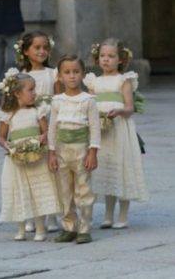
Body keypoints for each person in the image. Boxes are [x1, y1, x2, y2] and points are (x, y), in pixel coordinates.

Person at [84, 39, 148, 229]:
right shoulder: (93, 81)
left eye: (111, 56)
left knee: (120, 167)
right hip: (101, 131)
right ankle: (108, 215)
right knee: (105, 168)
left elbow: (130, 107)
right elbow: (89, 103)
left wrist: (120, 112)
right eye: (103, 56)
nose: (106, 60)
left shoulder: (124, 80)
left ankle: (123, 215)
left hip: (119, 129)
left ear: (120, 60)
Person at [0, 70, 61, 241]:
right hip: (17, 159)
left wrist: (43, 137)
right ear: (17, 93)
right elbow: (1, 137)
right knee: (19, 190)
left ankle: (40, 228)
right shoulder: (7, 114)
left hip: (37, 157)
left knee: (38, 190)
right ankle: (21, 228)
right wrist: (6, 144)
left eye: (34, 89)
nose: (34, 93)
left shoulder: (38, 111)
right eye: (30, 90)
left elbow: (47, 131)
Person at [48, 55, 101, 244]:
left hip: (81, 151)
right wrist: (51, 153)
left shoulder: (88, 101)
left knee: (83, 190)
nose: (72, 76)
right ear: (60, 76)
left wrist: (93, 152)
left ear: (83, 75)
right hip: (62, 151)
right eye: (67, 72)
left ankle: (84, 228)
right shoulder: (57, 101)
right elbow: (52, 128)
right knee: (65, 191)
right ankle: (69, 227)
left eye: (76, 72)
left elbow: (95, 128)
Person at [14, 31, 61, 233]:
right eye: (37, 47)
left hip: (50, 121)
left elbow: (59, 98)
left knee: (51, 170)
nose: (42, 51)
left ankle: (51, 215)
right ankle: (31, 215)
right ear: (26, 51)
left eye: (45, 47)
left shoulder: (54, 74)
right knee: (30, 171)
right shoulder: (19, 77)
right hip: (28, 125)